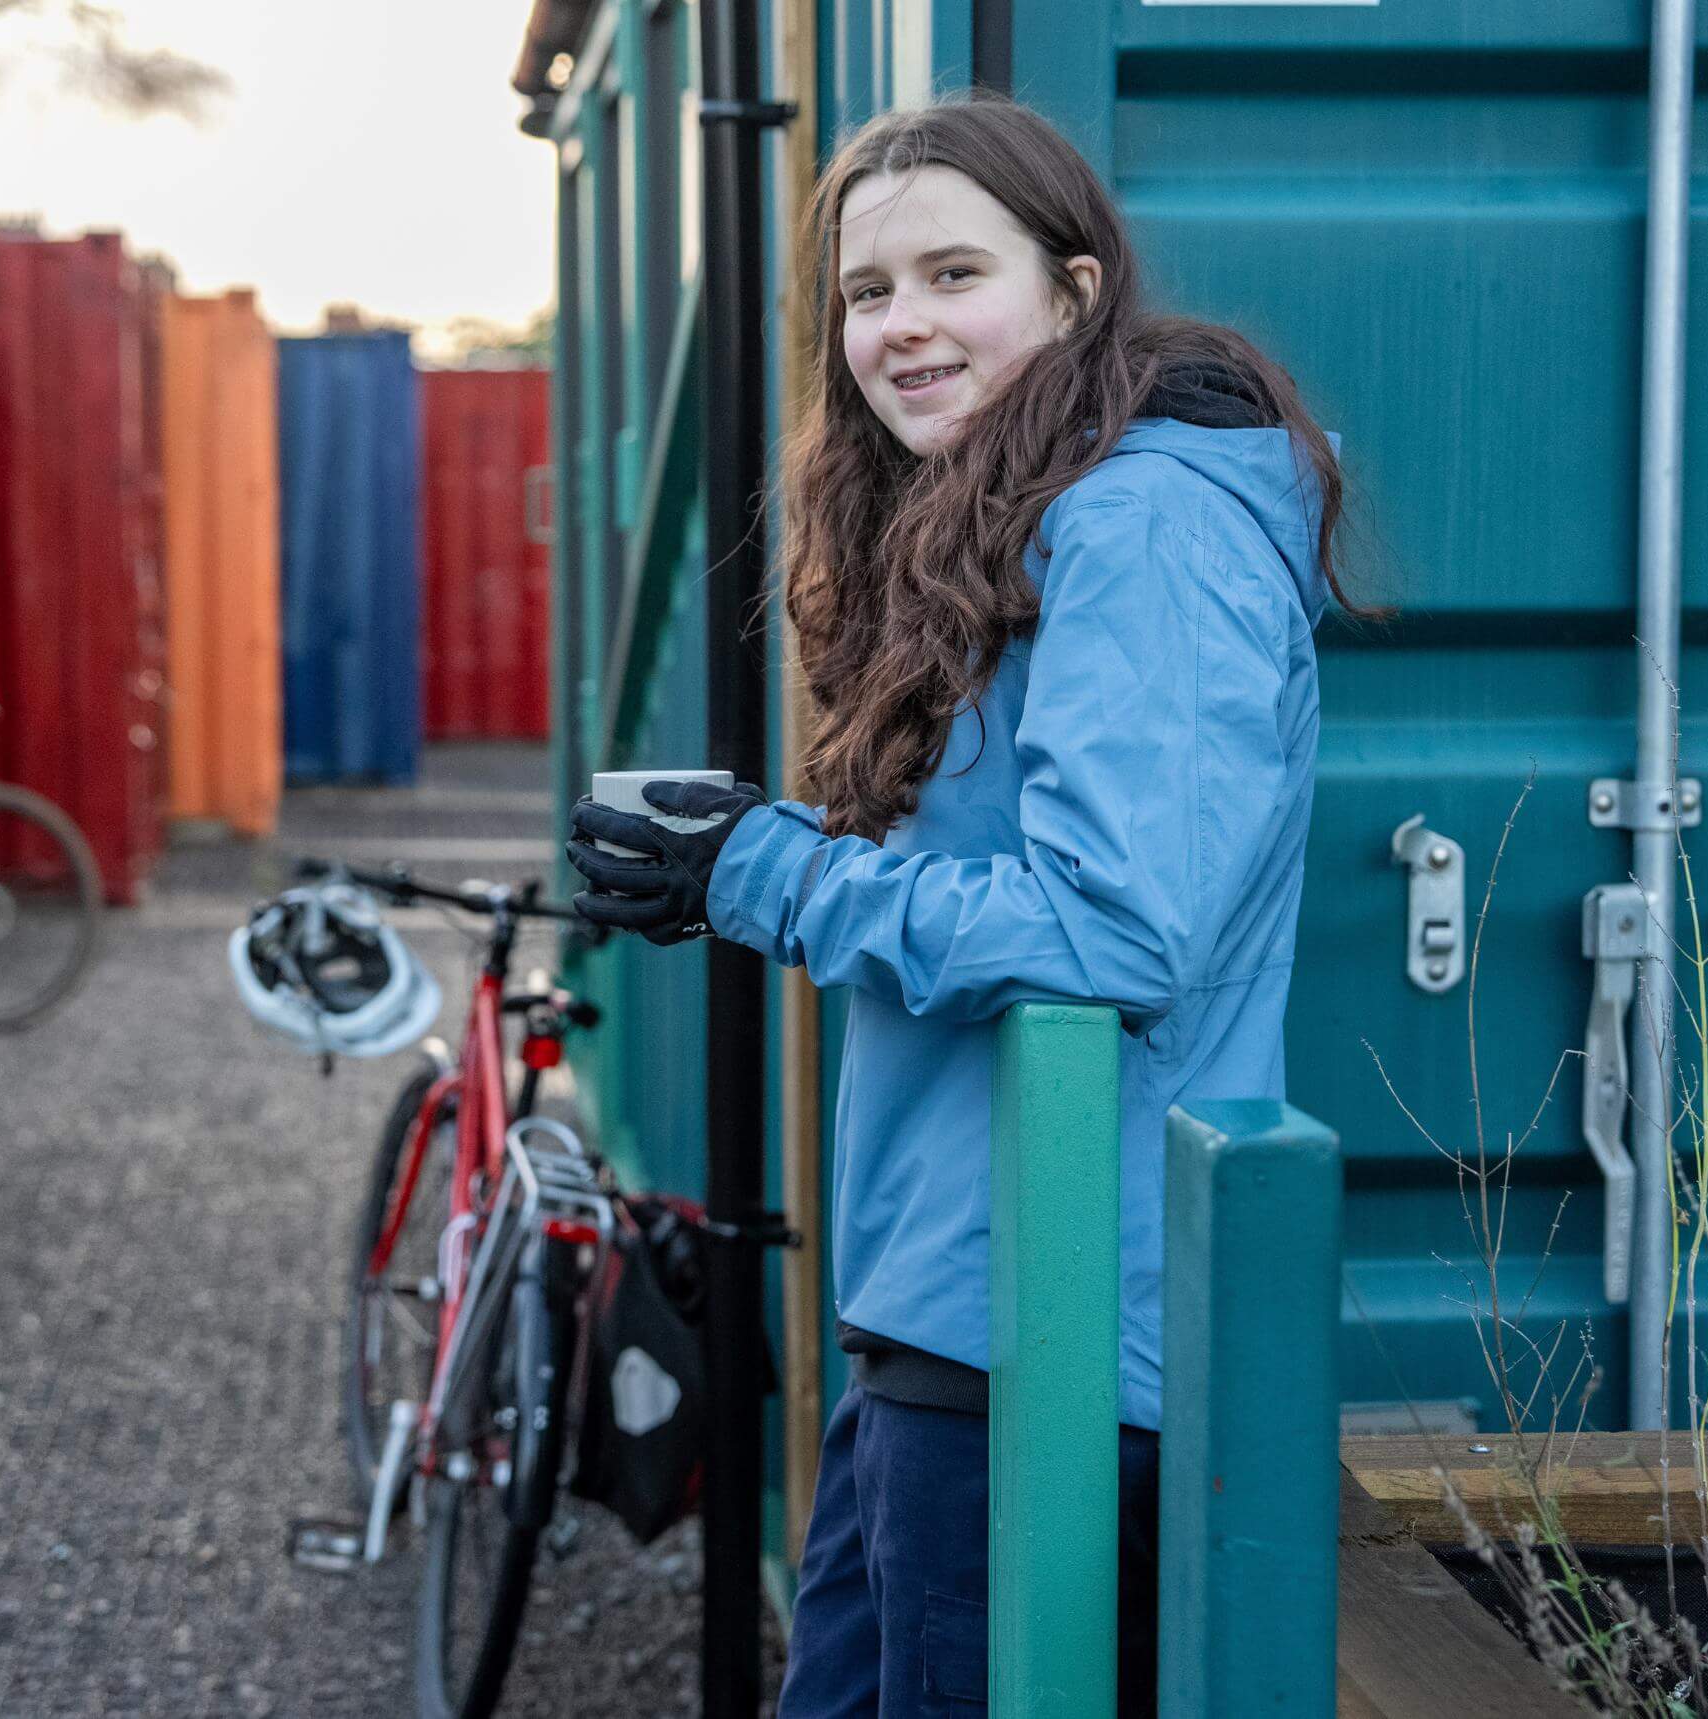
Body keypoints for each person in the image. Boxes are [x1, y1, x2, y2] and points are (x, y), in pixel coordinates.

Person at [567, 95, 1361, 1715]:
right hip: (958, 1314)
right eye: (868, 293)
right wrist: (758, 852)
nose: (901, 327)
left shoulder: (1143, 523)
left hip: (1056, 1337)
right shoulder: (1022, 513)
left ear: (1075, 292)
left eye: (952, 275)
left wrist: (764, 874)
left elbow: (1121, 928)